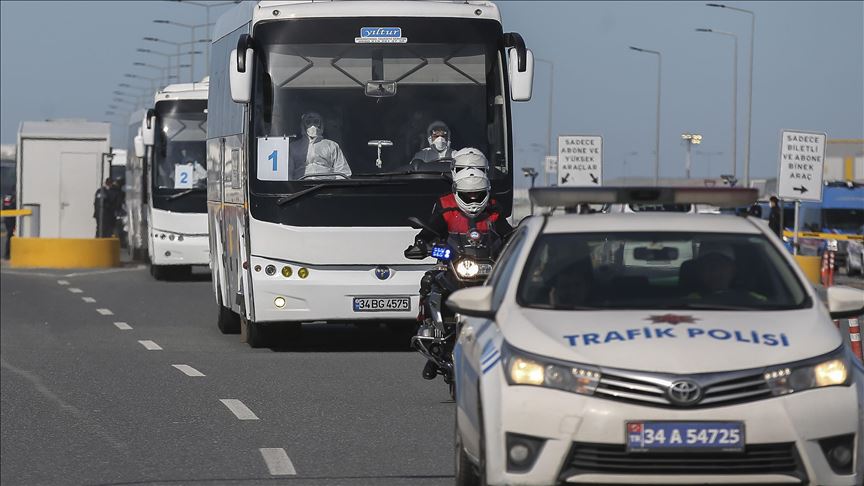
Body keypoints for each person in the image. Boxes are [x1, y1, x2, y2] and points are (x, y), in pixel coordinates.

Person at [289, 112, 351, 179]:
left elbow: (343, 172)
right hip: (300, 187)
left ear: (321, 124)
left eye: (316, 121)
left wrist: (335, 188)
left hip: (327, 186)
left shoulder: (332, 146)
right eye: (308, 122)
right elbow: (287, 173)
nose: (312, 125)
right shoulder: (293, 147)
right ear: (303, 125)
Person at [2, 193, 15, 260]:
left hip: (10, 219)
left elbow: (5, 208)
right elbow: (5, 208)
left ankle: (8, 255)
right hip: (11, 219)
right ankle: (7, 255)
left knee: (10, 235)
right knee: (10, 235)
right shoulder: (9, 196)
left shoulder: (8, 196)